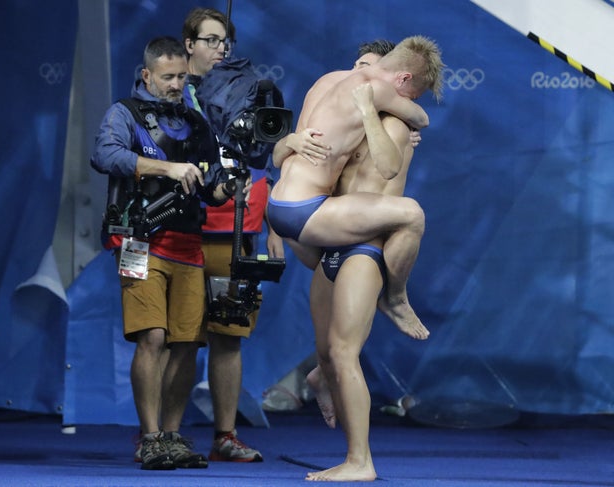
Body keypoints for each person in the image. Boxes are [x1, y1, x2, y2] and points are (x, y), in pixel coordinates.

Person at [90, 36, 235, 471]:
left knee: (187, 343)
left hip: (189, 245)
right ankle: (149, 437)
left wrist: (228, 186)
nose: (176, 84)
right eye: (168, 77)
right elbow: (104, 154)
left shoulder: (196, 122)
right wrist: (167, 167)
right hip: (139, 243)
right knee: (152, 337)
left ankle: (171, 436)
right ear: (146, 75)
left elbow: (212, 188)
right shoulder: (124, 113)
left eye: (181, 77)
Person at [268, 35, 443, 341]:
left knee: (335, 355)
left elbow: (399, 146)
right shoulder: (342, 91)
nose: (356, 75)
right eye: (356, 66)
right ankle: (396, 298)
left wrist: (393, 124)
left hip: (315, 220)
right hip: (315, 216)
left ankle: (320, 378)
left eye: (365, 69)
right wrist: (291, 141)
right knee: (412, 214)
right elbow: (280, 159)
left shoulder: (374, 109)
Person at [181, 7, 279, 463]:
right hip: (182, 234)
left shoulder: (252, 90)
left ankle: (225, 435)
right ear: (189, 45)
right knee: (181, 338)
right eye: (211, 40)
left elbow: (269, 156)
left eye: (225, 42)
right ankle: (162, 435)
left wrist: (274, 223)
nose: (220, 49)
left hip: (237, 232)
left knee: (229, 335)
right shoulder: (172, 90)